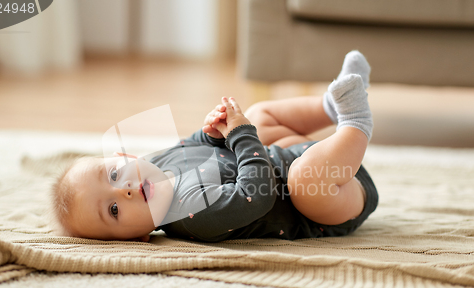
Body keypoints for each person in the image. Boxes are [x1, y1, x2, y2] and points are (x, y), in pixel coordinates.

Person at [51, 51, 378, 243]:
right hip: (331, 197)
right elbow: (258, 193)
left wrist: (214, 132)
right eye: (113, 210)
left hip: (297, 155)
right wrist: (242, 136)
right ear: (137, 238)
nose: (124, 191)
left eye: (112, 174)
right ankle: (355, 123)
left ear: (124, 157)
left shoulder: (159, 164)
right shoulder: (193, 216)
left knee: (260, 115)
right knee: (303, 179)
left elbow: (197, 145)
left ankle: (329, 105)